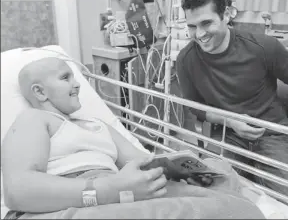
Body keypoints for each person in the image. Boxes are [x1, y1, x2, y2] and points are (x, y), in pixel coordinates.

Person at [1, 57, 265, 219]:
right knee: (237, 212)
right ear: (40, 92)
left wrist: (179, 169)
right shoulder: (34, 119)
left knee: (221, 173)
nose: (78, 83)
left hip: (120, 191)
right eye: (65, 77)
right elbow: (18, 191)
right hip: (67, 201)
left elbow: (144, 162)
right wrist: (109, 190)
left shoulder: (98, 124)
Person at [176, 0, 288, 208]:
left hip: (271, 133)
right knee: (209, 199)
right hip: (227, 134)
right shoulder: (186, 60)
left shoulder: (262, 47)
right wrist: (229, 120)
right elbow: (193, 106)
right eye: (192, 26)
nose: (200, 34)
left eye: (206, 23)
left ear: (226, 15)